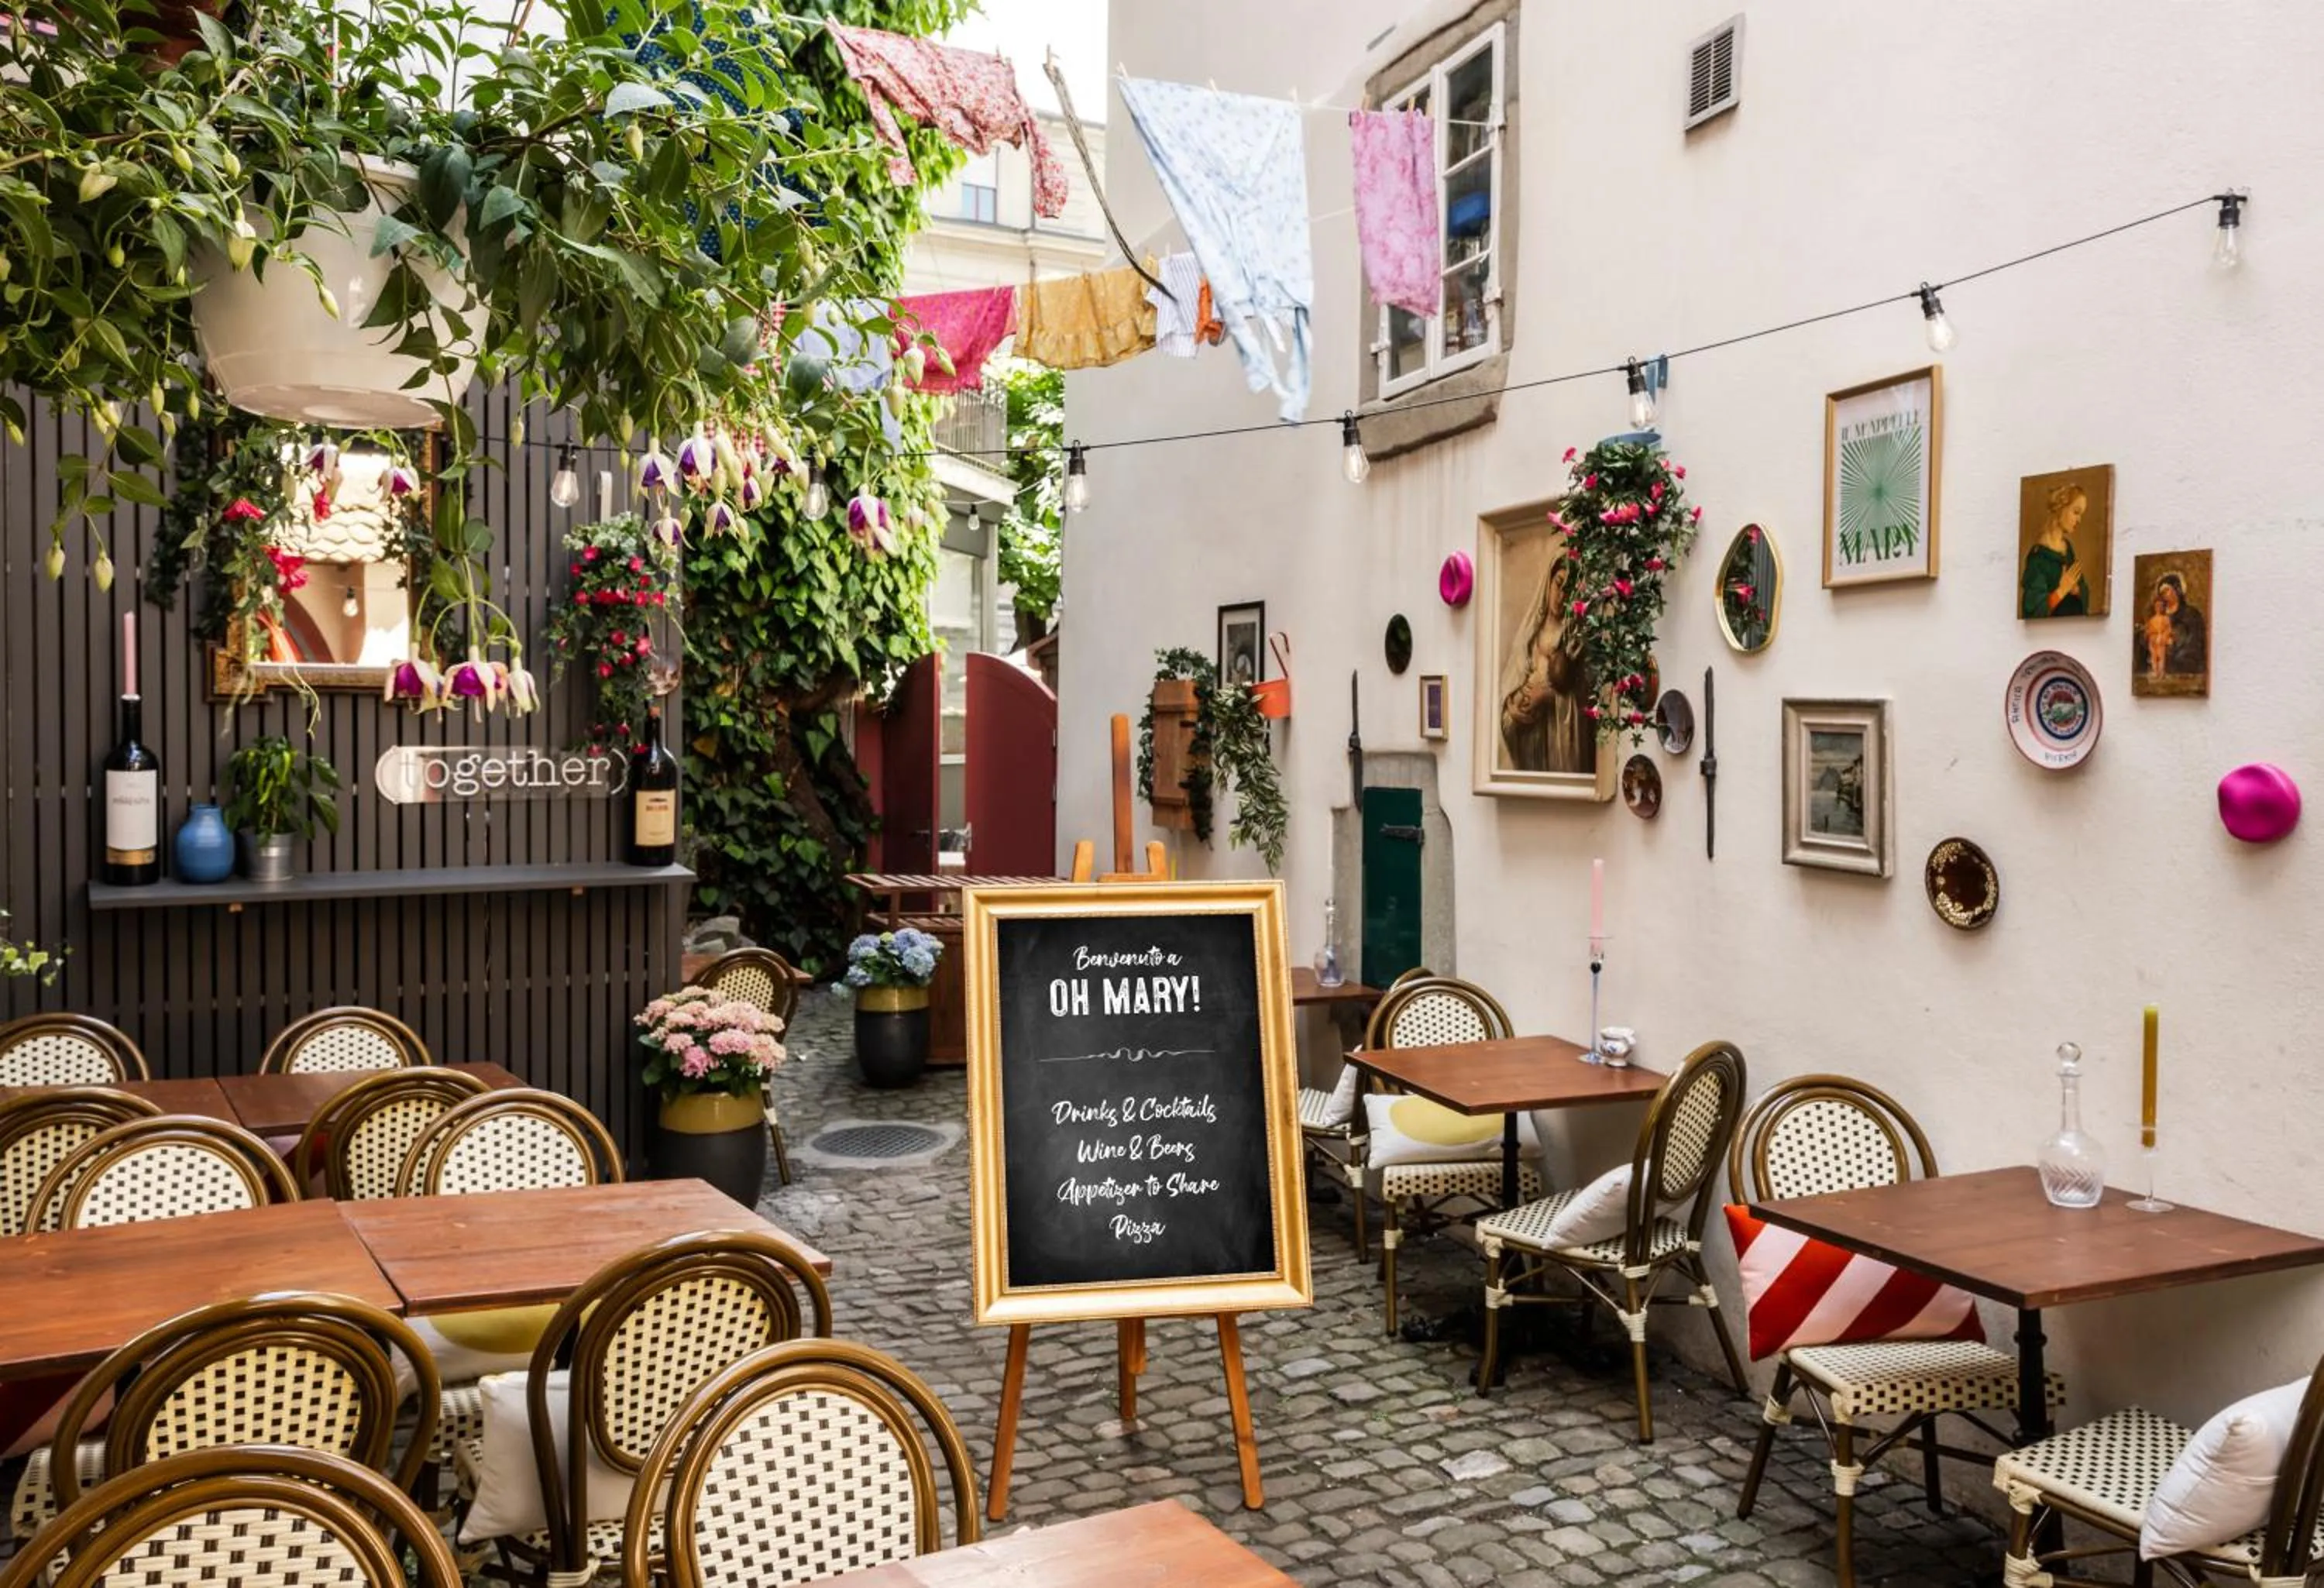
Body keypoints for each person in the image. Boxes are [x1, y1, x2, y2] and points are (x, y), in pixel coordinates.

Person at [1499, 549, 1591, 774]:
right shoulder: (1530, 634)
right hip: (1529, 740)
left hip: (1558, 741)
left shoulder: (1574, 638)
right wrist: (1511, 709)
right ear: (1549, 582)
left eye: (1568, 591)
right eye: (1558, 584)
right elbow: (1509, 684)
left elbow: (1585, 698)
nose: (1561, 597)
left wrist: (1548, 696)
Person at [2020, 482, 2092, 618]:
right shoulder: (2039, 556)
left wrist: (2076, 589)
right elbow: (2034, 612)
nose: (2079, 520)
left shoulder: (2068, 548)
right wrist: (2062, 590)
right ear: (2061, 509)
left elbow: (2082, 588)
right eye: (2076, 512)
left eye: (2081, 514)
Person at [2137, 571, 2207, 678]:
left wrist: (2172, 640)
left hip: (2181, 660)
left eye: (2167, 591)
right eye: (2162, 593)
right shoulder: (2157, 615)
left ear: (2177, 590)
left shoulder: (2191, 614)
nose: (2164, 595)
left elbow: (2195, 641)